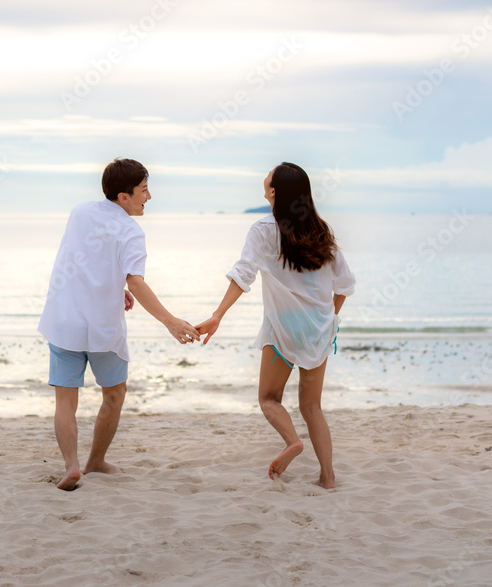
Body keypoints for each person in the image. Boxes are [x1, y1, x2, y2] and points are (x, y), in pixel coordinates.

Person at [38, 158, 200, 490]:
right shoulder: (131, 231)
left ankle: (71, 466)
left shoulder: (79, 212)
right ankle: (95, 462)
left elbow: (82, 260)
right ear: (123, 197)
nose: (149, 197)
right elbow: (136, 282)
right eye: (143, 190)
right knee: (114, 394)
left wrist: (116, 288)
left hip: (64, 319)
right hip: (102, 329)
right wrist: (170, 322)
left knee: (65, 401)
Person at [195, 162, 355, 489]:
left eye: (269, 175)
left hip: (282, 330)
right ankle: (327, 477)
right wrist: (329, 319)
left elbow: (244, 274)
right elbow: (345, 285)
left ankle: (292, 442)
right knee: (312, 407)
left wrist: (218, 314)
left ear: (273, 191)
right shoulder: (322, 231)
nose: (265, 175)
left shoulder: (264, 229)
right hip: (318, 330)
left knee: (269, 398)